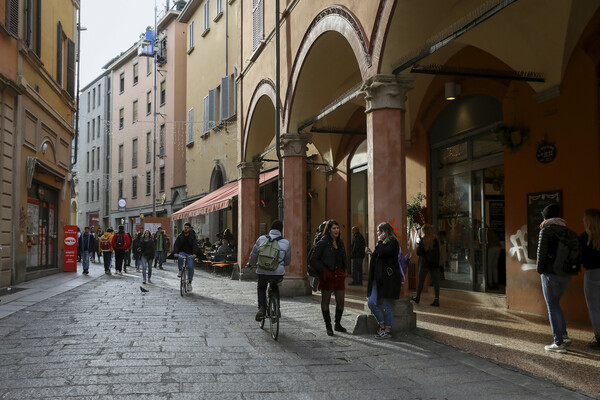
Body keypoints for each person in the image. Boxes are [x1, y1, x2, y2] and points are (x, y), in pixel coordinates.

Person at [536, 204, 573, 353]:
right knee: (556, 304)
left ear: (546, 217)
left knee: (552, 307)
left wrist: (540, 271)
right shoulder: (567, 231)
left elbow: (541, 253)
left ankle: (558, 342)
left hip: (550, 274)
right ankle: (564, 336)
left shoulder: (546, 231)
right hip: (566, 275)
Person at [247, 220, 291, 322]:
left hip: (262, 271)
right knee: (275, 286)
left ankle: (262, 308)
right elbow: (287, 261)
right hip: (278, 273)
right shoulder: (286, 243)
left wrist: (250, 264)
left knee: (261, 288)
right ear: (281, 230)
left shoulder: (261, 239)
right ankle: (276, 309)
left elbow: (254, 255)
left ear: (271, 228)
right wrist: (280, 264)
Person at [309, 220, 347, 336]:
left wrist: (343, 269)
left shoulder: (340, 243)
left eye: (337, 228)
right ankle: (328, 326)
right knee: (326, 301)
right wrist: (322, 270)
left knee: (340, 300)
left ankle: (337, 324)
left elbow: (343, 258)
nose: (336, 230)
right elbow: (313, 259)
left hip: (339, 274)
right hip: (327, 274)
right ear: (329, 230)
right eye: (334, 228)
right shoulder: (323, 242)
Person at [366, 222, 402, 339]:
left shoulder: (393, 243)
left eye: (379, 232)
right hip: (377, 278)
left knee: (387, 304)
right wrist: (372, 253)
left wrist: (380, 242)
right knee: (371, 302)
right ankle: (381, 324)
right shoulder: (380, 244)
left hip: (388, 279)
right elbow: (378, 256)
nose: (378, 234)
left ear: (385, 232)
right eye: (377, 232)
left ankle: (387, 330)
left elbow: (383, 252)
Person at [581, 209, 600, 349]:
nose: (582, 220)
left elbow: (580, 258)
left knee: (594, 307)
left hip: (592, 274)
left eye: (584, 218)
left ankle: (599, 337)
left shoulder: (584, 237)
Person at [411, 224, 441, 307]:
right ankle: (436, 300)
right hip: (434, 264)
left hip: (424, 264)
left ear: (424, 231)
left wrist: (419, 244)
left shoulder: (423, 240)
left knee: (421, 281)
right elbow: (438, 253)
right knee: (436, 283)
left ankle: (418, 297)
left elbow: (418, 252)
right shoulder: (436, 239)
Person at [173, 222, 198, 292]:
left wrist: (195, 253)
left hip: (190, 253)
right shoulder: (180, 236)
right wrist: (175, 252)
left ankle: (189, 283)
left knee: (190, 267)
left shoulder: (193, 236)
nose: (186, 229)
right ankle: (180, 270)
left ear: (190, 229)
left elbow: (195, 245)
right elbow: (176, 245)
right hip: (182, 252)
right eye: (185, 227)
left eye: (187, 228)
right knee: (180, 258)